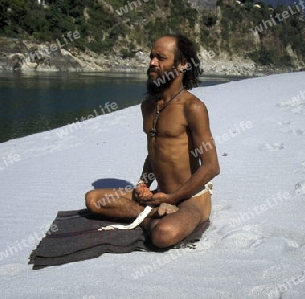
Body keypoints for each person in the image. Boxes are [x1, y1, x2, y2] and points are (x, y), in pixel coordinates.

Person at [85, 34, 220, 249]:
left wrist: (174, 197)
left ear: (183, 64)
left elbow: (212, 166)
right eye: (151, 57)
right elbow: (155, 152)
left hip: (191, 198)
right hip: (159, 195)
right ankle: (152, 217)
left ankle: (156, 219)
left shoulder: (193, 108)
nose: (152, 63)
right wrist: (143, 184)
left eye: (160, 58)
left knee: (163, 235)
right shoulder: (148, 106)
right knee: (93, 200)